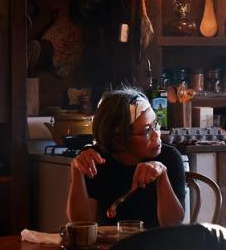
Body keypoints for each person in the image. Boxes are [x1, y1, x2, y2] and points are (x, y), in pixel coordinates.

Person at [67, 87, 186, 228]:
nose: (156, 135)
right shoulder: (96, 160)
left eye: (156, 124)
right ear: (119, 139)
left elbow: (173, 224)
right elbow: (80, 224)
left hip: (156, 245)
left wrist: (162, 176)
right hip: (110, 247)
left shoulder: (169, 158)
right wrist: (77, 171)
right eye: (147, 130)